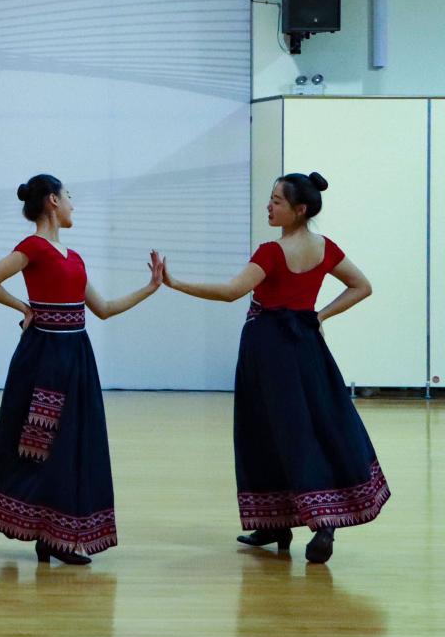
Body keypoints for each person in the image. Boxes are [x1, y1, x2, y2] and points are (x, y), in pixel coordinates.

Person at [162, 172, 385, 563]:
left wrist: (175, 283)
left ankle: (287, 523)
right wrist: (319, 316)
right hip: (306, 347)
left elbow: (231, 292)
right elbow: (361, 286)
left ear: (299, 210)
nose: (269, 206)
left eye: (277, 201)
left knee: (265, 431)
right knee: (312, 427)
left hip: (267, 349)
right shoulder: (325, 248)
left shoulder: (271, 252)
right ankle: (298, 523)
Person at [0, 174, 162, 564]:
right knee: (39, 443)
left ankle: (55, 536)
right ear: (53, 201)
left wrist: (150, 288)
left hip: (76, 357)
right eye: (69, 196)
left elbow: (103, 309)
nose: (73, 203)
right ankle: (44, 532)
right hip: (44, 358)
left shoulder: (73, 257)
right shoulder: (33, 247)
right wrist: (23, 307)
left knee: (73, 444)